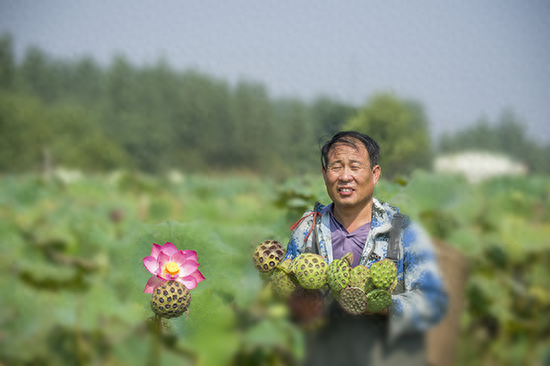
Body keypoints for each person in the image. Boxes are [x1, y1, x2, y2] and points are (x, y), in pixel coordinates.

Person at [284, 131, 448, 366]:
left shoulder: (403, 230)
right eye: (336, 167)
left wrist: (382, 306)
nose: (345, 176)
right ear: (324, 174)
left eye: (354, 166)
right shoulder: (307, 229)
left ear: (375, 174)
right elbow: (286, 297)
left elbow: (433, 303)